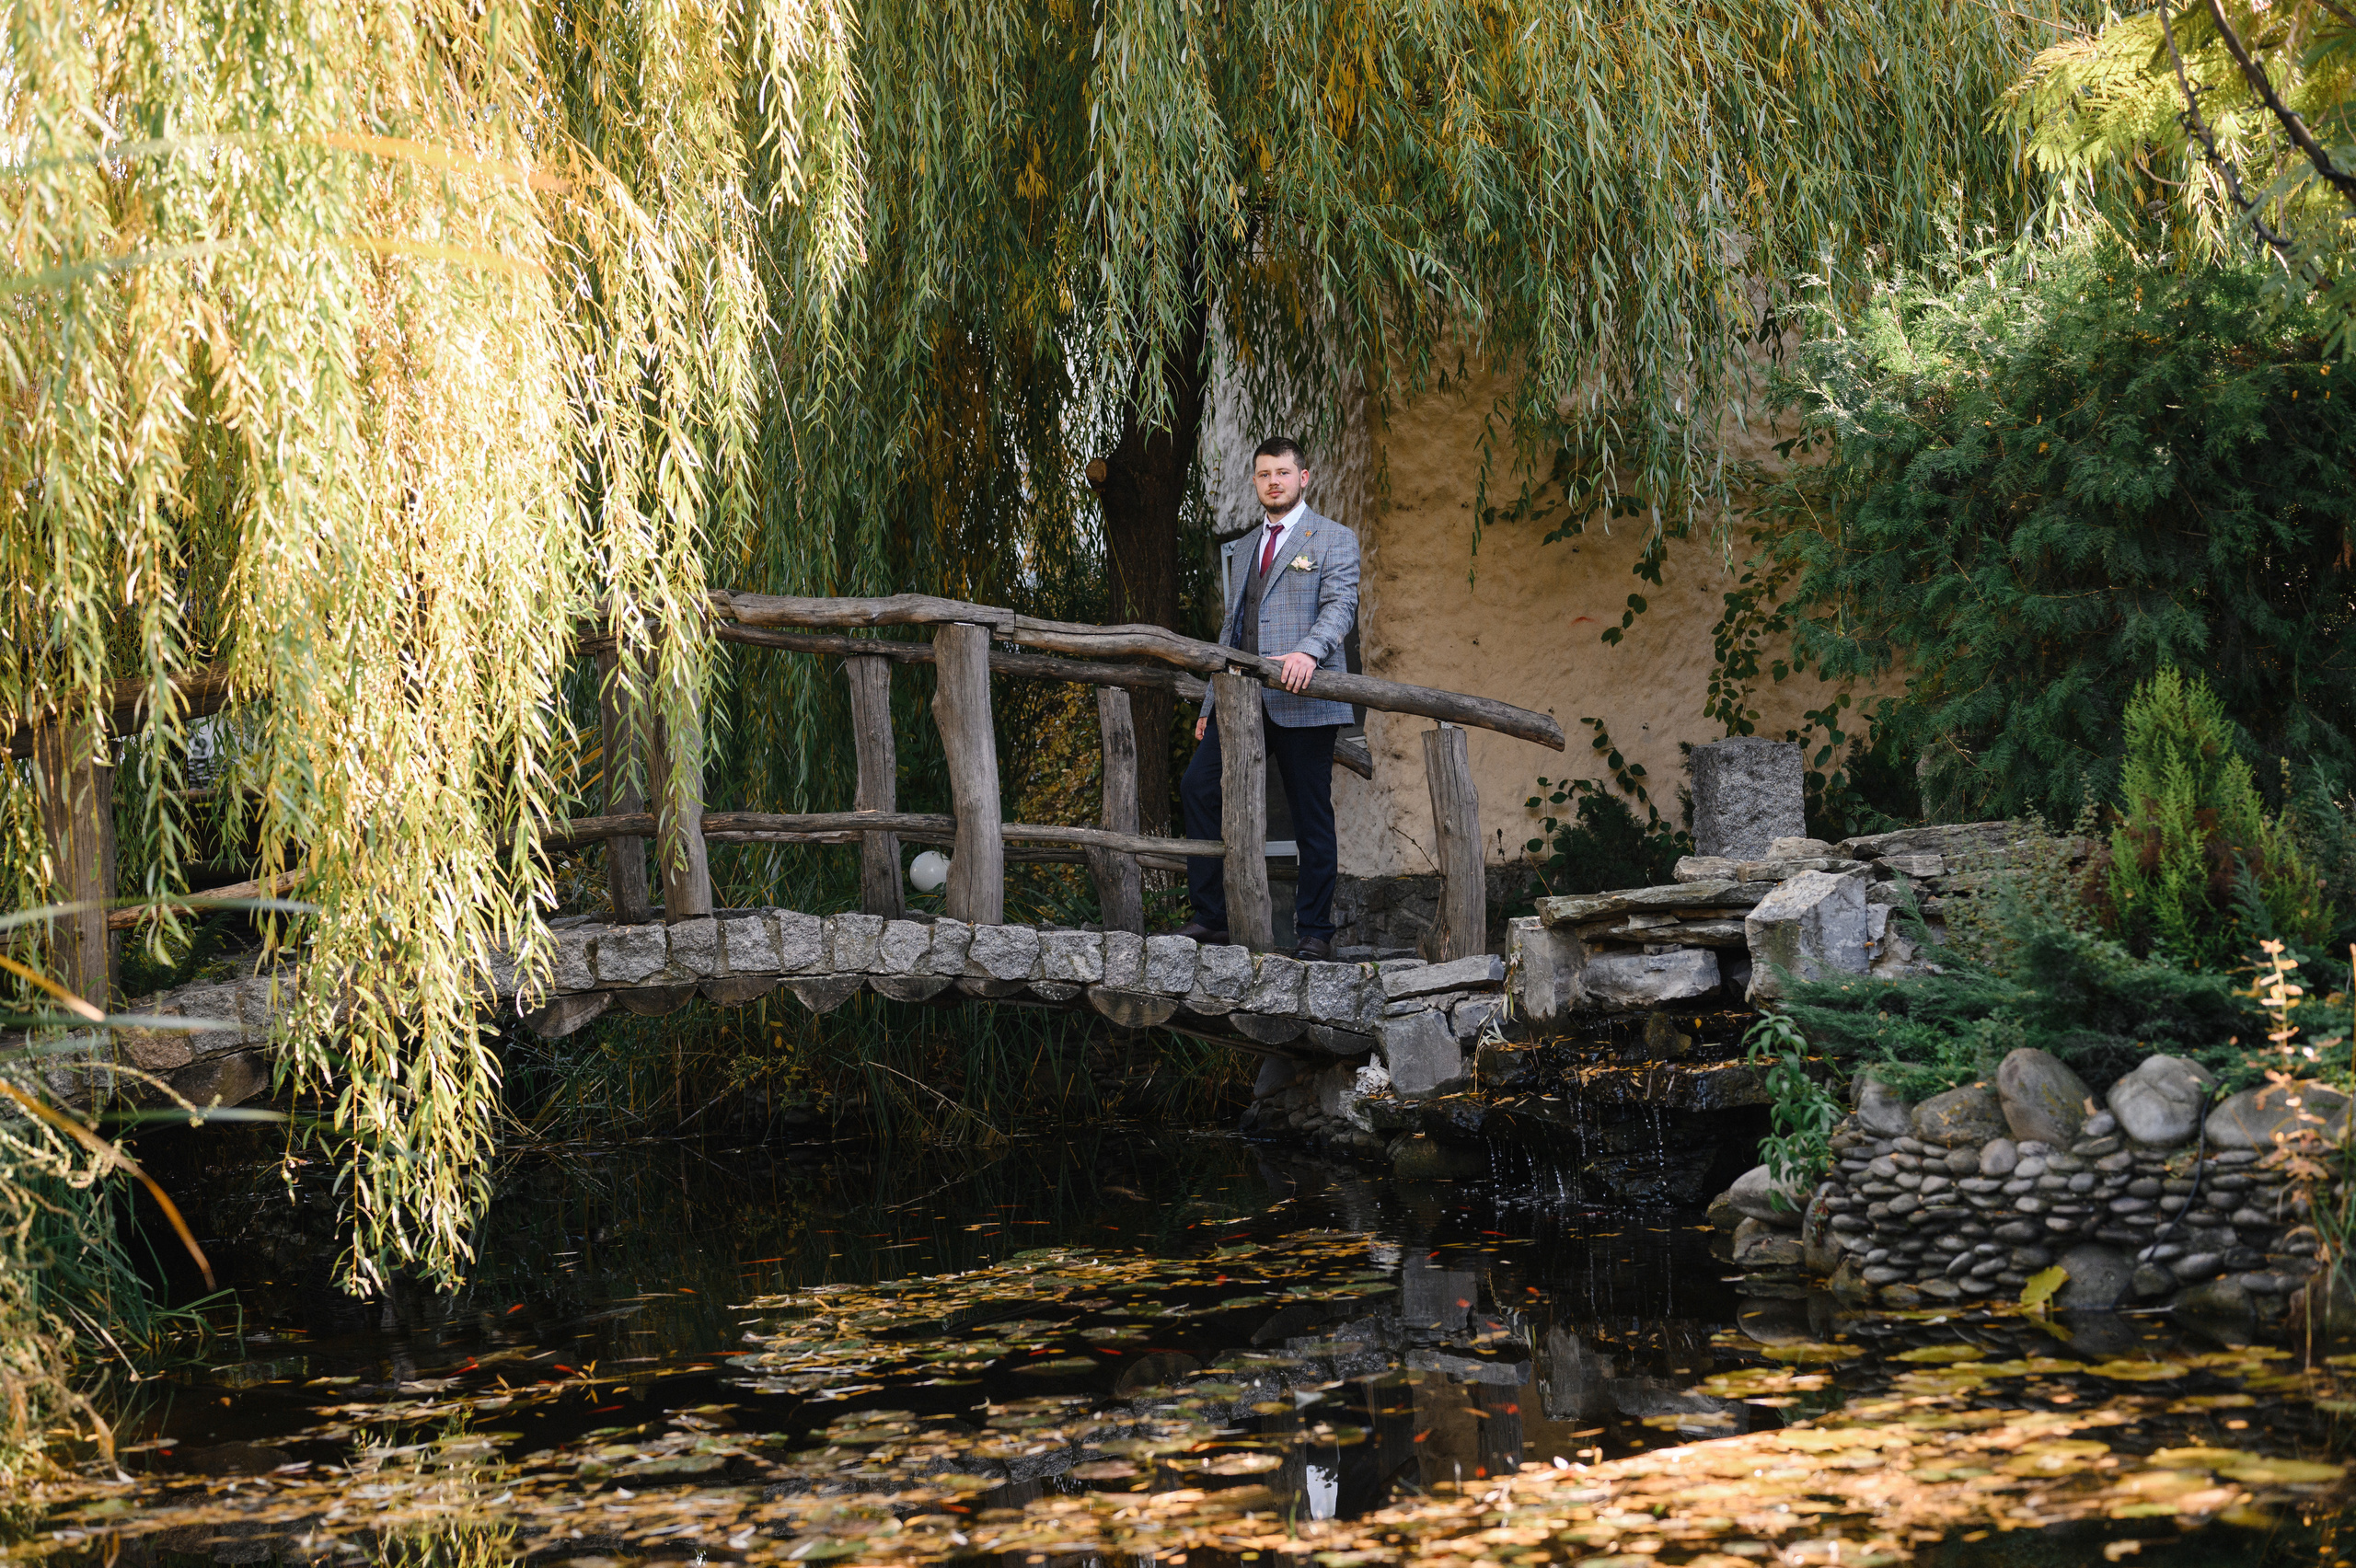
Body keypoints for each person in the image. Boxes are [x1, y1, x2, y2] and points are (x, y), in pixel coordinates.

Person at [1174, 436, 1359, 960]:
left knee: (1310, 818)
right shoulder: (1251, 544)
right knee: (1199, 788)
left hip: (1305, 698)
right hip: (1243, 702)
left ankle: (1314, 932)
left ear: (1304, 478)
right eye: (1263, 475)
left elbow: (1340, 607)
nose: (1273, 482)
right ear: (1256, 482)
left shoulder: (1333, 538)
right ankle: (1211, 918)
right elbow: (1231, 629)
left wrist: (1308, 652)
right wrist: (1212, 705)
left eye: (1282, 472)